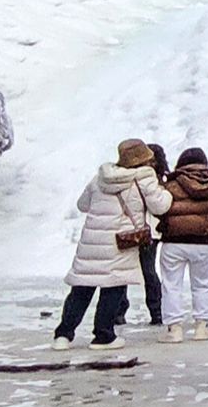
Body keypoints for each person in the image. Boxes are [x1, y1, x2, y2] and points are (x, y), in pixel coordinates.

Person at [56, 139, 168, 350]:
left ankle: (63, 335)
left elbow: (82, 205)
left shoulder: (100, 177)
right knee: (113, 287)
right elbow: (160, 206)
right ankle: (103, 335)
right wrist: (168, 194)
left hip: (92, 243)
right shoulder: (144, 179)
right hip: (120, 242)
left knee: (81, 289)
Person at [156, 147, 208, 342]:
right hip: (204, 242)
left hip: (173, 242)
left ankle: (175, 329)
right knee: (202, 284)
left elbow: (161, 209)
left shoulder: (171, 183)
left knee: (171, 285)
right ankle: (201, 328)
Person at [137, 141, 172, 327]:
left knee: (147, 271)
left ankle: (156, 311)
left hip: (148, 231)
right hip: (149, 230)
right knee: (144, 271)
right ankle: (156, 311)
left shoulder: (158, 181)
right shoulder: (162, 181)